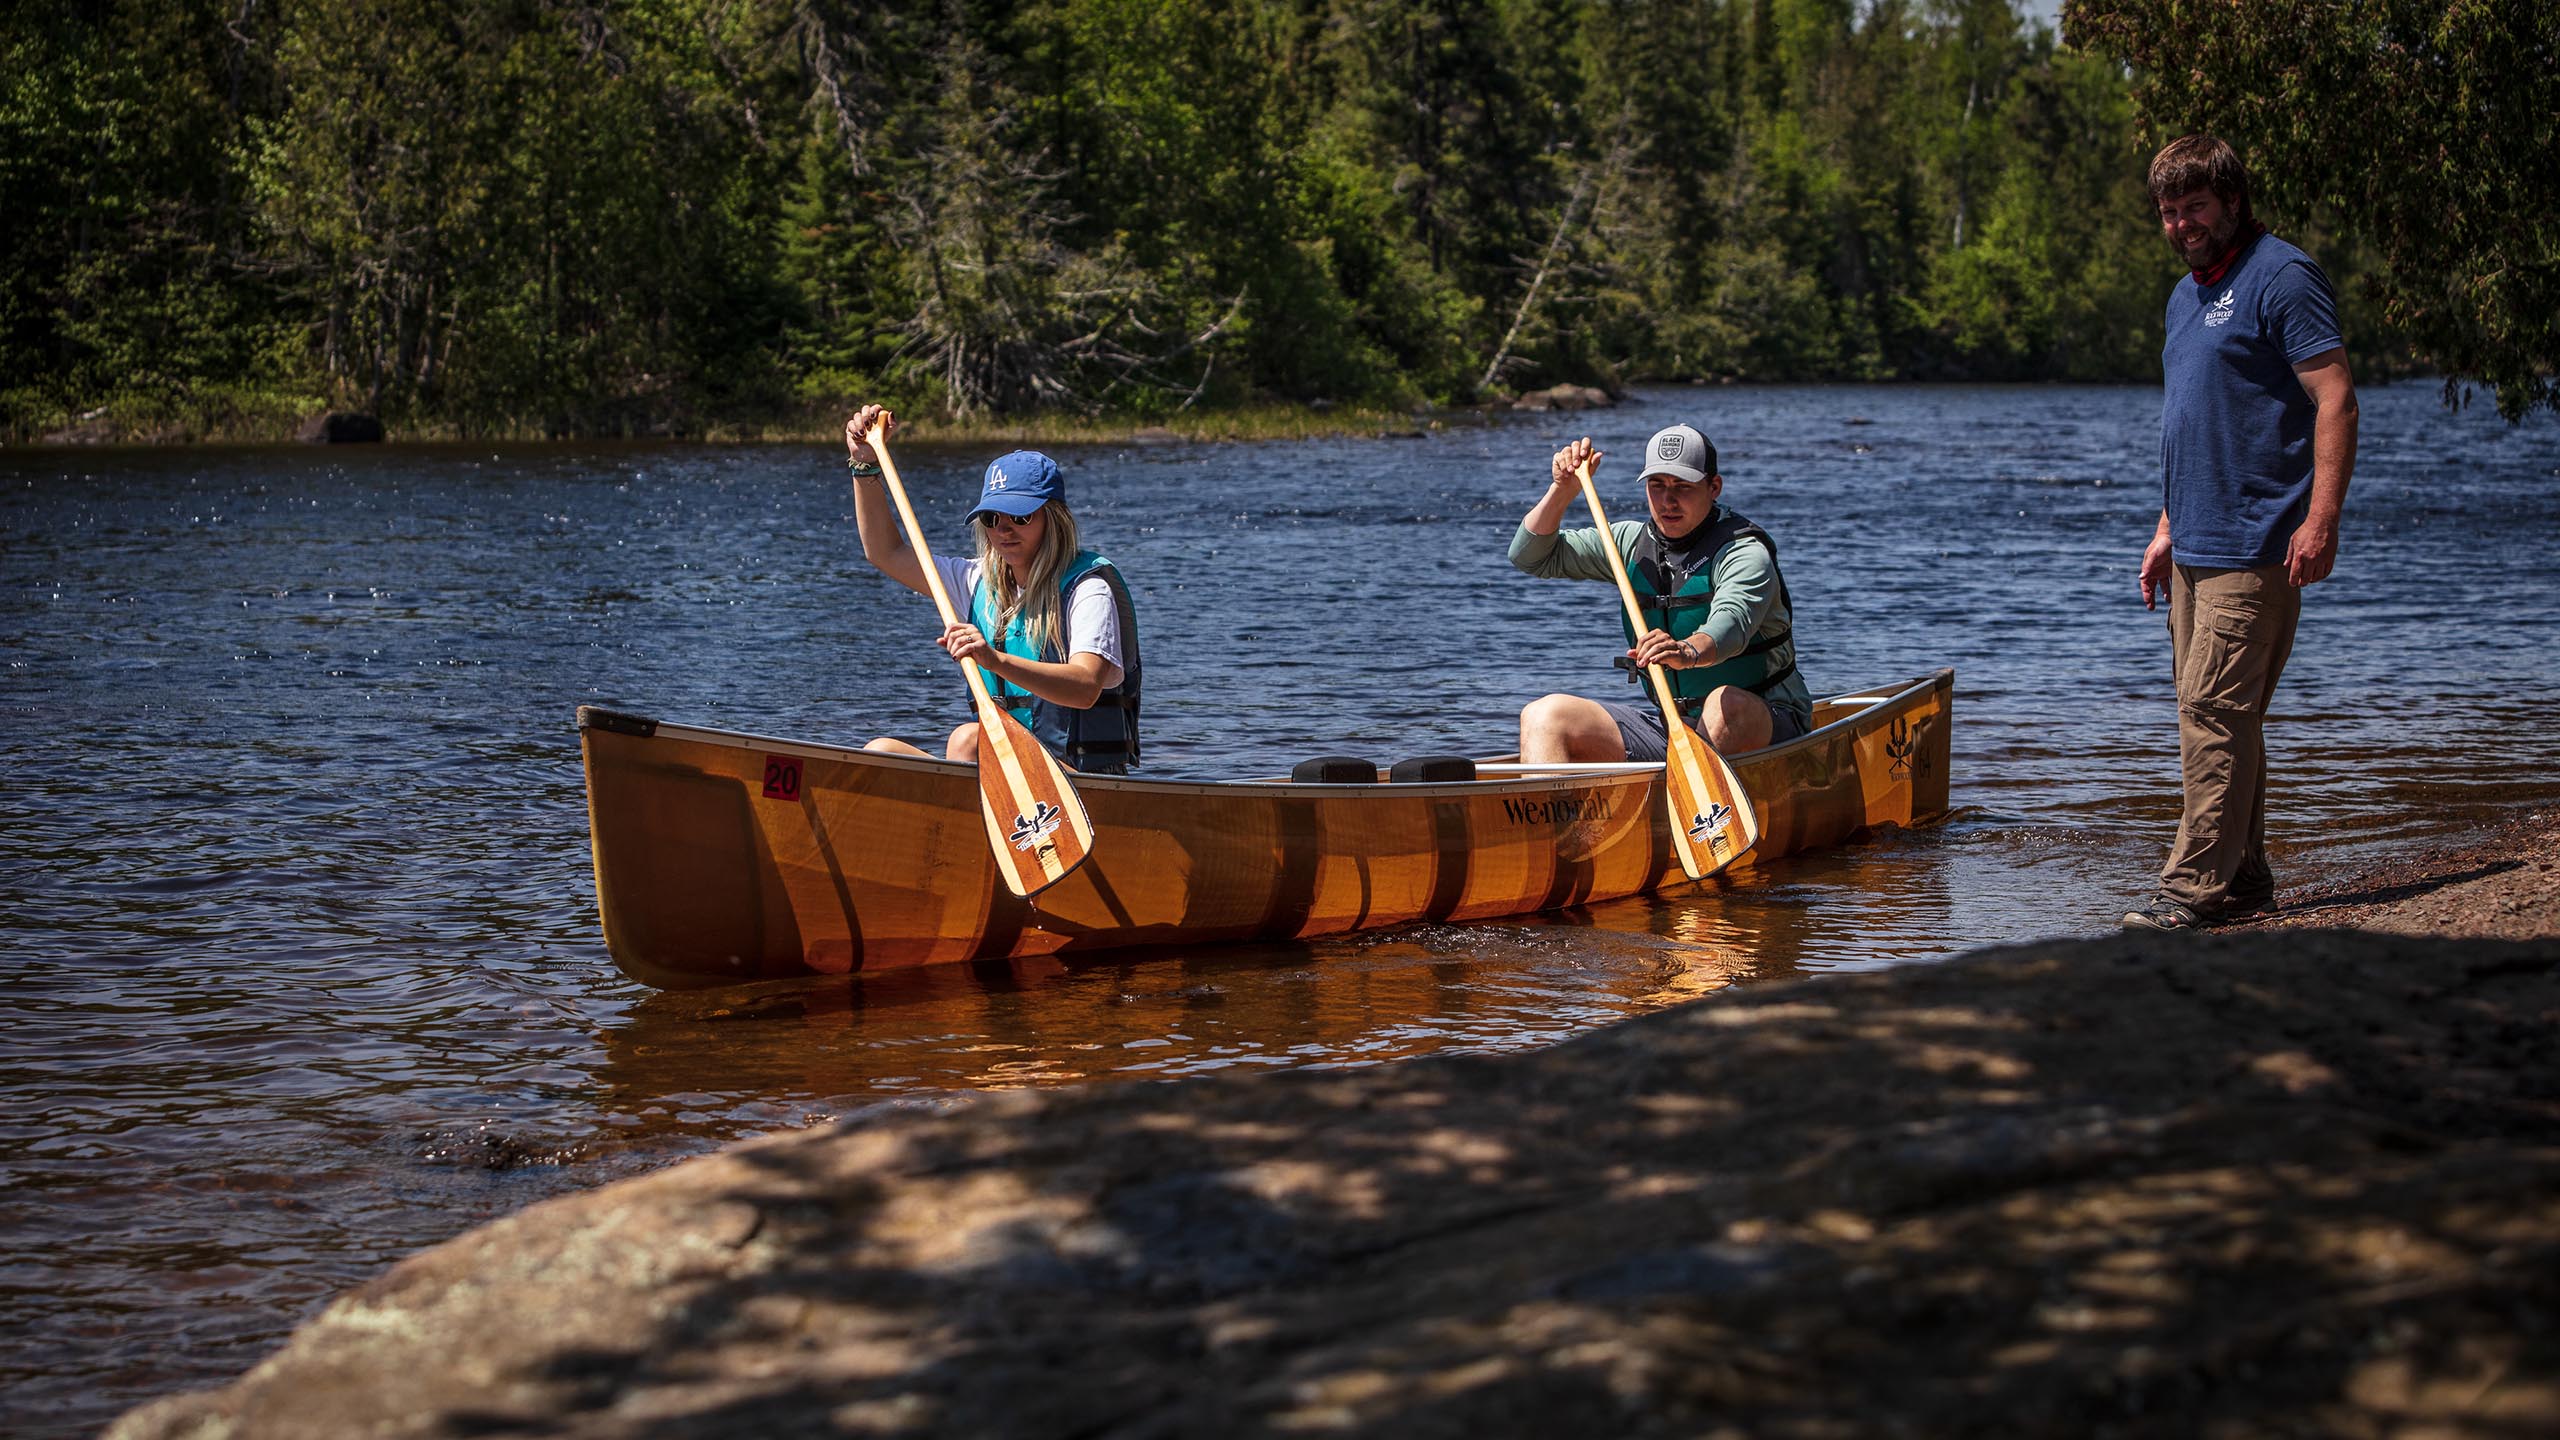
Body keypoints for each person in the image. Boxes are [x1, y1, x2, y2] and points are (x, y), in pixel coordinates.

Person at [2122, 135, 2358, 931]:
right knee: (2226, 714)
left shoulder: (2282, 276)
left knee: (2212, 713)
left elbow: (2335, 398)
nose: (2182, 223)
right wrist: (2164, 526)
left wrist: (2321, 519)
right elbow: (2188, 422)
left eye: (2194, 206)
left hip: (2257, 542)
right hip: (2194, 541)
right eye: (2168, 211)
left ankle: (2190, 888)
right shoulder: (2184, 296)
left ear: (2231, 201)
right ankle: (2247, 880)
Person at [842, 404, 1142, 774]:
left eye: (1020, 517)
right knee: (881, 751)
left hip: (1080, 781)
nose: (1003, 530)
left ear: (1055, 518)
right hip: (1008, 778)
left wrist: (993, 659)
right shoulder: (976, 580)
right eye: (991, 518)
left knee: (967, 740)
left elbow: (1084, 688)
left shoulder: (1088, 591)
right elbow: (885, 552)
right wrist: (864, 465)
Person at [1509, 423, 1811, 764]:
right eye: (1657, 486)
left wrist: (1686, 651)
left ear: (1714, 487)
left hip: (1767, 723)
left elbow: (1731, 625)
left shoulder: (1743, 553)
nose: (1668, 501)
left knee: (1723, 705)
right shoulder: (1627, 544)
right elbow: (1529, 555)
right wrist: (1563, 489)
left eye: (1682, 487)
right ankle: (1556, 816)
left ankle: (1701, 811)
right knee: (1544, 716)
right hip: (1676, 728)